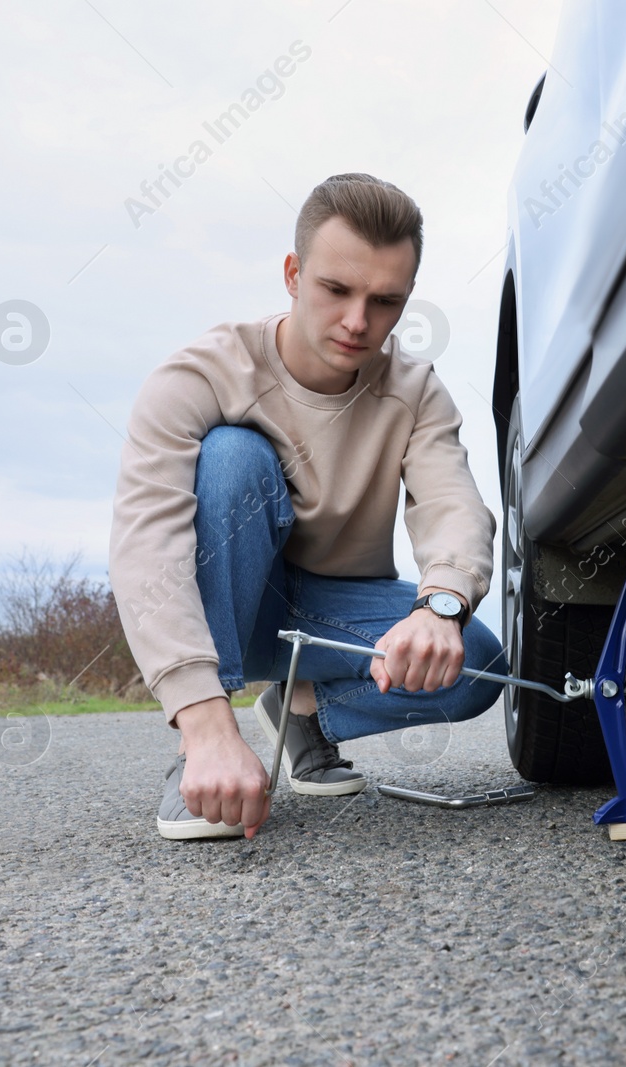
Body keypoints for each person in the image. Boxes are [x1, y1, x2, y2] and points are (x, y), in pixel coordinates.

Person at [108, 172, 504, 841]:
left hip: (331, 607)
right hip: (231, 602)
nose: (358, 322)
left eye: (385, 301)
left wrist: (441, 605)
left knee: (480, 666)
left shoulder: (416, 392)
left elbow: (453, 504)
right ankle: (201, 750)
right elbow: (146, 545)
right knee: (233, 456)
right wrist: (203, 721)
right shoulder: (199, 375)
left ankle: (305, 712)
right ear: (293, 273)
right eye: (336, 290)